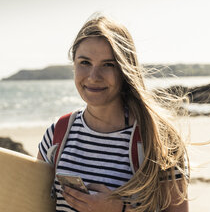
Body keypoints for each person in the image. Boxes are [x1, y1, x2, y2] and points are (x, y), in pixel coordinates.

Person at [37, 14, 189, 212]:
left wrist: (121, 209)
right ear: (73, 64)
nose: (93, 77)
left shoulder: (159, 140)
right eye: (85, 62)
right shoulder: (57, 134)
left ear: (126, 70)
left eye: (108, 65)